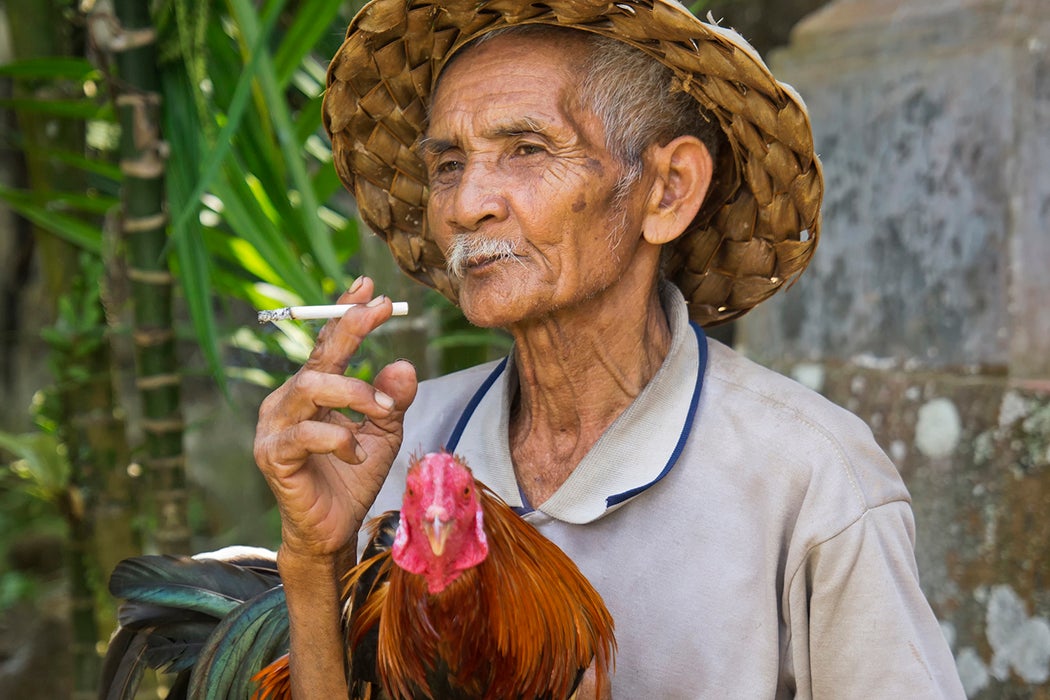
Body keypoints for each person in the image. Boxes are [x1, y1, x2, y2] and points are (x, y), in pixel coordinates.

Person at [253, 0, 966, 696]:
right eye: (447, 165)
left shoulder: (812, 478)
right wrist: (314, 563)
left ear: (667, 190)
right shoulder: (393, 447)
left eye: (526, 150)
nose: (467, 203)